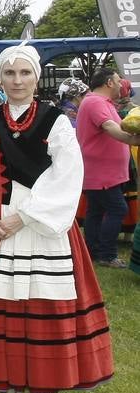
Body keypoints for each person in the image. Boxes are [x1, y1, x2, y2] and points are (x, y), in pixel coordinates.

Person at [0, 44, 116, 393]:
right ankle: (4, 390)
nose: (17, 80)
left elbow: (67, 176)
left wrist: (23, 218)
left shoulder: (56, 122)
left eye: (25, 73)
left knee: (35, 309)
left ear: (36, 78)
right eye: (10, 73)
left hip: (36, 228)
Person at [75, 68, 140, 268]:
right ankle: (107, 255)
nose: (121, 85)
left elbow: (119, 128)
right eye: (118, 81)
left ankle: (93, 251)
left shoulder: (101, 102)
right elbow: (110, 127)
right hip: (102, 173)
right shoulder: (95, 102)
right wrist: (133, 140)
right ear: (109, 83)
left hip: (104, 173)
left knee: (96, 211)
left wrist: (133, 136)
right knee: (118, 209)